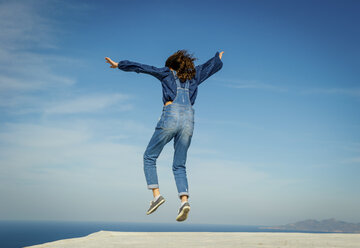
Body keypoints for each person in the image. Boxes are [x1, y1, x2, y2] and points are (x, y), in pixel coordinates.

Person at [105, 50, 224, 221]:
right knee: (179, 165)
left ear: (171, 65)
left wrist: (119, 65)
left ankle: (156, 196)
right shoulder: (194, 76)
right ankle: (184, 202)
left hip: (171, 116)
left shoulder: (167, 73)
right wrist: (217, 58)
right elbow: (210, 67)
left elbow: (143, 68)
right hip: (189, 120)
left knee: (149, 157)